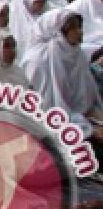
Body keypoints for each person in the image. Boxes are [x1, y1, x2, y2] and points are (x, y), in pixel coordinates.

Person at [21, 9, 103, 138]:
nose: (80, 32)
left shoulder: (75, 52)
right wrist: (90, 130)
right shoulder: (38, 62)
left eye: (79, 26)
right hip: (51, 127)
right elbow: (45, 109)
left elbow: (87, 96)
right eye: (73, 28)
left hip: (81, 116)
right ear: (58, 33)